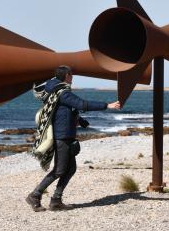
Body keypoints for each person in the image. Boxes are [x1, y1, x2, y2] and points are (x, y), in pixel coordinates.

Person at [26, 65, 120, 211]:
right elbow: (82, 104)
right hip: (62, 135)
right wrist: (107, 105)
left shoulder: (58, 90)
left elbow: (66, 109)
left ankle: (56, 200)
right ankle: (35, 195)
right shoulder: (62, 92)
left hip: (66, 133)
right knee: (59, 169)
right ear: (67, 76)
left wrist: (80, 120)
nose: (73, 78)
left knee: (70, 169)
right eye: (71, 75)